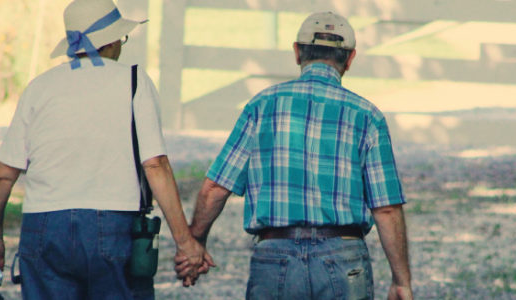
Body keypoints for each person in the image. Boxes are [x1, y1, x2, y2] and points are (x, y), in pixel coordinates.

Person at [176, 11, 413, 300]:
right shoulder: (368, 116)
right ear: (350, 59)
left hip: (275, 255)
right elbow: (386, 208)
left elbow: (215, 188)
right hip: (343, 258)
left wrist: (195, 241)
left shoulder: (262, 106)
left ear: (297, 52)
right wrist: (401, 281)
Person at [0, 0, 208, 298]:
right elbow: (155, 165)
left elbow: (3, 175)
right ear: (112, 41)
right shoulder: (134, 82)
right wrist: (186, 243)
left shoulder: (39, 87)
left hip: (44, 226)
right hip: (113, 223)